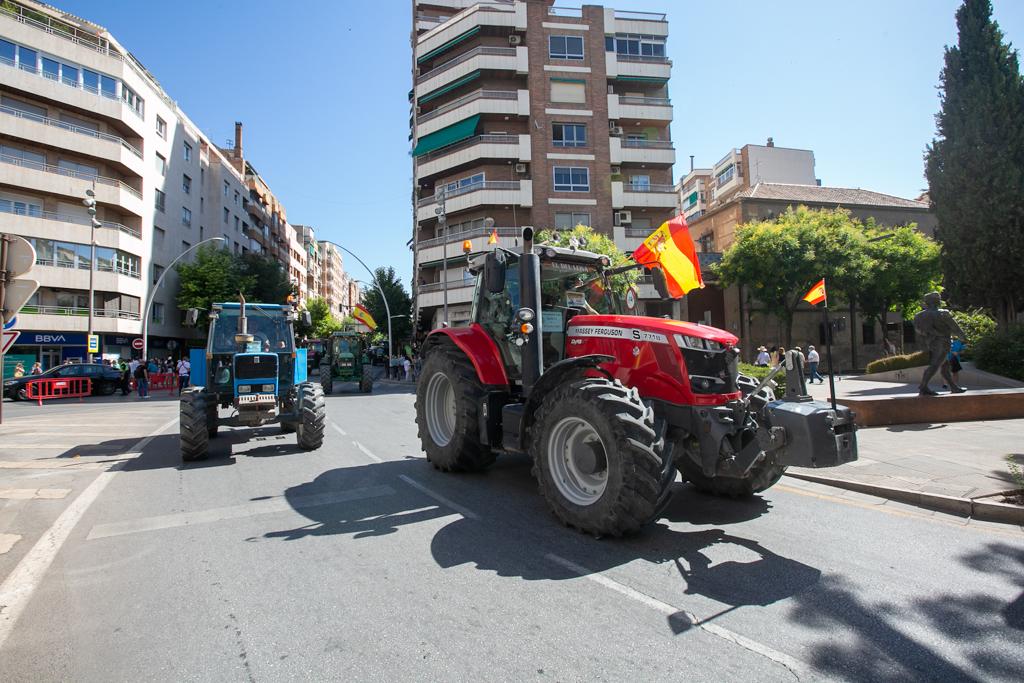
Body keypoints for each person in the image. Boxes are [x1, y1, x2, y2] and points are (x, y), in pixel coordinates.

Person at [913, 291, 966, 395]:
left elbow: (918, 330)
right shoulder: (943, 313)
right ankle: (923, 386)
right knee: (935, 364)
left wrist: (930, 333)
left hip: (931, 343)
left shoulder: (919, 315)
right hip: (943, 342)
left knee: (945, 366)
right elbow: (955, 328)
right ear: (937, 301)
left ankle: (953, 387)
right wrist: (963, 337)